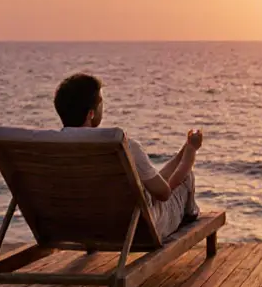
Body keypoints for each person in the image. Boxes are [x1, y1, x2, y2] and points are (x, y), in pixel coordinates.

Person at [53, 73, 201, 238]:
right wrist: (191, 152)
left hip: (86, 226)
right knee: (187, 177)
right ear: (91, 114)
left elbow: (155, 185)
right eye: (100, 103)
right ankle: (190, 213)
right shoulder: (124, 146)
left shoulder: (50, 149)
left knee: (150, 183)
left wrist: (184, 150)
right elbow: (164, 193)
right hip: (137, 231)